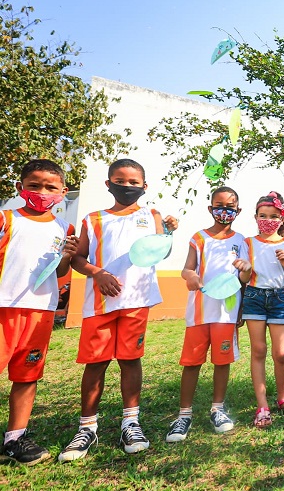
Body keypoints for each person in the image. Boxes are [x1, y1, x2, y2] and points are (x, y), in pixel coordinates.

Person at [58, 159, 177, 461]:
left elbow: (162, 250)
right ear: (108, 183)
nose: (127, 187)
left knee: (130, 360)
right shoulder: (93, 219)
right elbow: (78, 259)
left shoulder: (152, 215)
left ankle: (131, 422)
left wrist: (169, 233)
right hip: (100, 304)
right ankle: (87, 427)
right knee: (95, 364)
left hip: (136, 301)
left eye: (134, 182)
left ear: (144, 186)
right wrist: (97, 273)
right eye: (120, 181)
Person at [0, 160, 77, 465]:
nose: (42, 192)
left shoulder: (65, 228)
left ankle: (14, 439)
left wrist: (67, 256)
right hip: (4, 307)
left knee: (27, 375)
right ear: (20, 188)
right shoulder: (7, 219)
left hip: (41, 312)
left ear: (62, 192)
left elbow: (59, 272)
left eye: (50, 187)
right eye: (34, 185)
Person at [165, 187, 250, 443]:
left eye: (230, 207)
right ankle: (184, 415)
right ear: (210, 208)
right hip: (199, 313)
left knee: (222, 362)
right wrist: (189, 276)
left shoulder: (242, 241)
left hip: (226, 313)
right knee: (191, 363)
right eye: (219, 205)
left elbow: (244, 278)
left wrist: (245, 269)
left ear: (238, 211)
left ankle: (217, 409)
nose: (224, 211)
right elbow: (186, 270)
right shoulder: (198, 238)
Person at [242, 191, 284, 427]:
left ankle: (283, 398)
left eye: (274, 216)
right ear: (255, 216)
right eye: (263, 215)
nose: (268, 220)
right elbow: (243, 276)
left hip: (278, 298)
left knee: (281, 353)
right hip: (255, 296)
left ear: (282, 218)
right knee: (258, 350)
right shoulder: (248, 243)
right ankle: (262, 405)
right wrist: (244, 268)